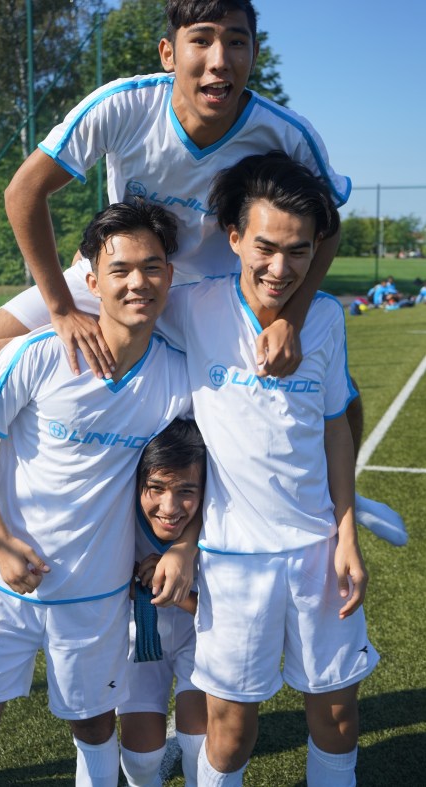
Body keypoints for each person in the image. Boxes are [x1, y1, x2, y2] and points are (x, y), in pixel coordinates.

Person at [0, 0, 351, 529]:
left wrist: (290, 319)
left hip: (212, 303)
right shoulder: (124, 105)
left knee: (331, 392)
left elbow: (329, 226)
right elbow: (23, 191)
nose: (219, 59)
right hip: (125, 276)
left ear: (253, 53)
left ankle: (332, 514)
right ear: (168, 53)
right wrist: (61, 309)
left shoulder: (284, 132)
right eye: (201, 40)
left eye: (236, 41)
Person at [0, 201, 194, 787]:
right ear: (92, 283)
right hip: (2, 588)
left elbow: (205, 479)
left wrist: (184, 547)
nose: (137, 282)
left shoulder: (180, 378)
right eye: (120, 269)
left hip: (95, 597)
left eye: (152, 267)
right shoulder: (40, 354)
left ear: (170, 276)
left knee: (95, 732)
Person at [152, 152, 379, 785]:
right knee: (230, 728)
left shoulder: (325, 317)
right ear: (234, 239)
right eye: (266, 248)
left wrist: (347, 536)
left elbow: (335, 427)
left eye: (299, 251)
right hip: (233, 560)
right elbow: (111, 296)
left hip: (317, 551)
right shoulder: (193, 307)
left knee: (337, 713)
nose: (281, 268)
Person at [119, 418, 207, 787]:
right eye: (156, 488)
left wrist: (176, 587)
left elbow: (232, 617)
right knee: (140, 760)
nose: (169, 508)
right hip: (138, 639)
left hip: (201, 637)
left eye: (186, 491)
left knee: (200, 744)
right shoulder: (117, 515)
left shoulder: (219, 522)